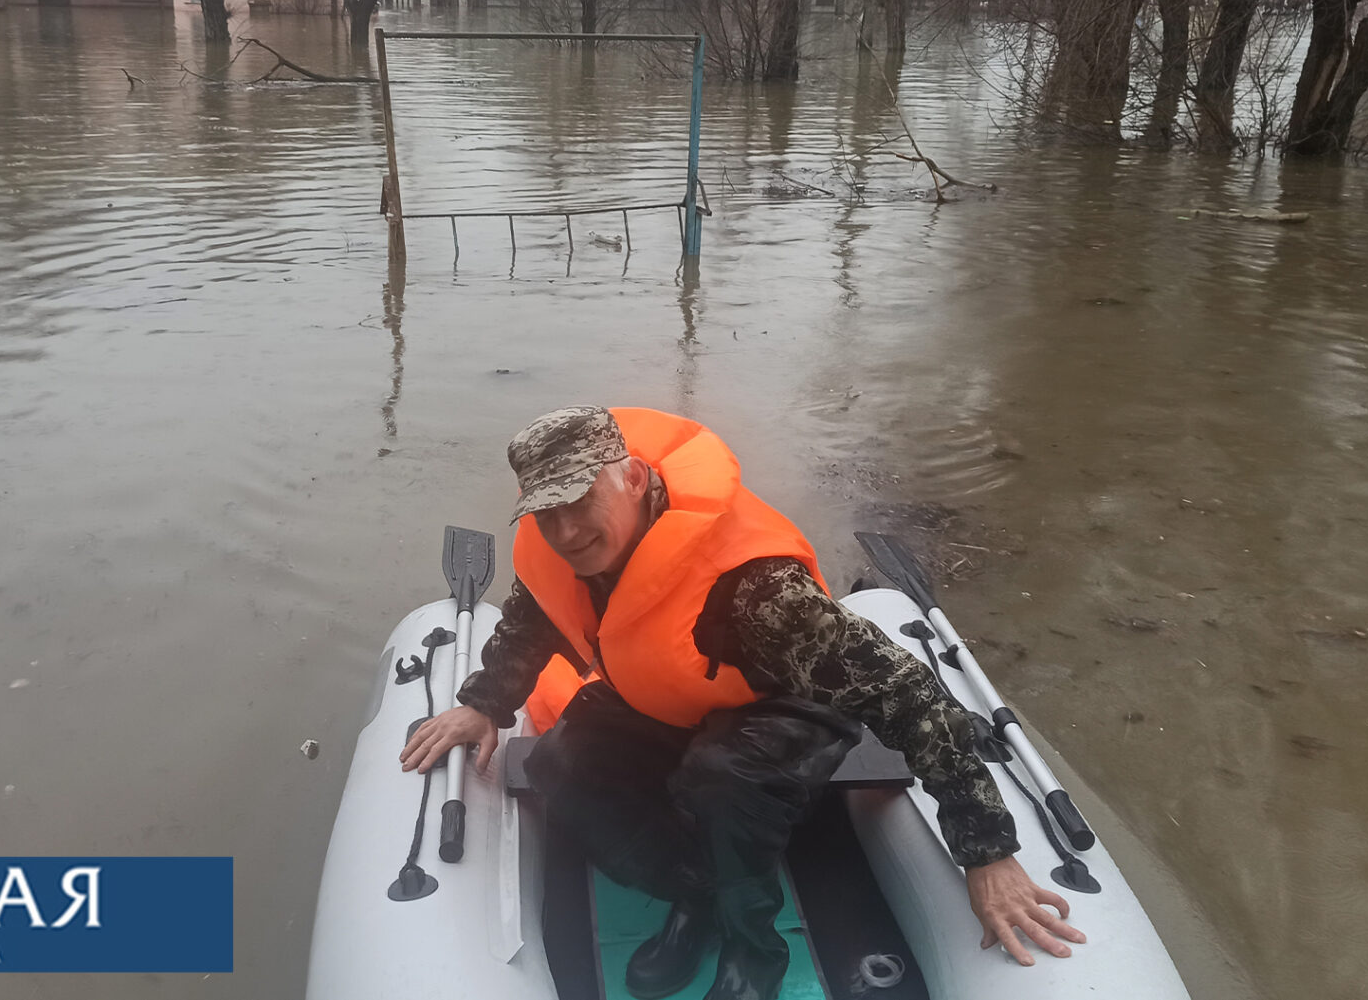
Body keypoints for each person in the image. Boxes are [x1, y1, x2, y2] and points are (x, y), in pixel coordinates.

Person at [401, 407, 1084, 1000]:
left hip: (789, 703)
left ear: (633, 477)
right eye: (547, 511)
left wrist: (986, 847)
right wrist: (485, 703)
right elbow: (531, 617)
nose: (568, 529)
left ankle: (752, 943)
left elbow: (905, 691)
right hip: (670, 693)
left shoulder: (762, 592)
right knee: (562, 763)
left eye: (582, 499)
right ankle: (694, 891)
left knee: (721, 776)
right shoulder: (563, 551)